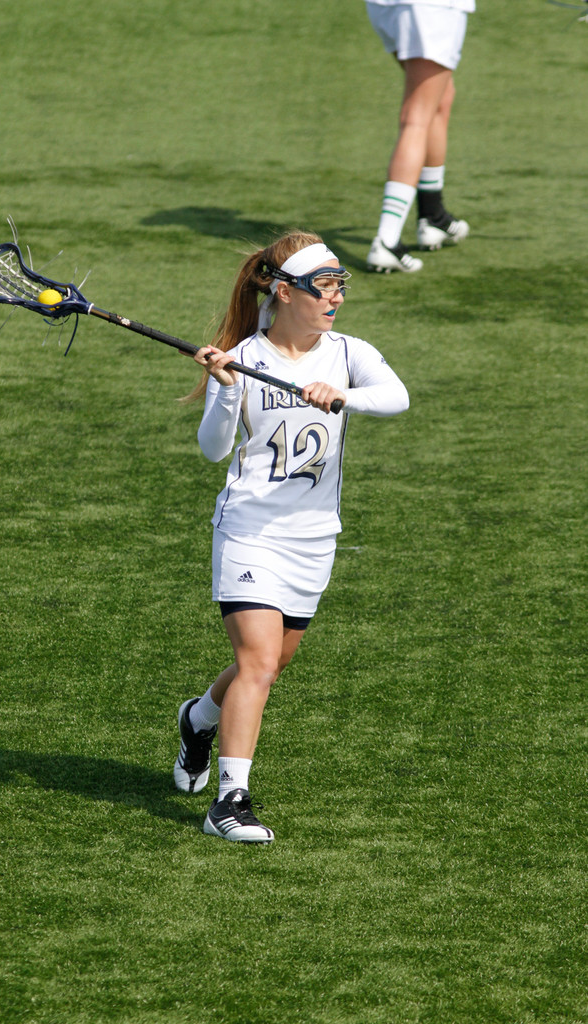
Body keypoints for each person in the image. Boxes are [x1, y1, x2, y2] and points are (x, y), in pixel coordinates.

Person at [173, 231, 409, 843]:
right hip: (250, 532)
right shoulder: (245, 359)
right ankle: (229, 802)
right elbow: (212, 450)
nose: (335, 298)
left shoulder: (349, 353)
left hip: (314, 539)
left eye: (339, 286)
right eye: (323, 287)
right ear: (283, 291)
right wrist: (226, 392)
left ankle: (199, 719)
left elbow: (397, 397)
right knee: (255, 661)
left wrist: (343, 394)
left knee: (272, 663)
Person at [364, 0, 475, 274]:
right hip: (433, 9)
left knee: (440, 97)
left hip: (385, 7)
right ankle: (387, 240)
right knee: (416, 117)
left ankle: (433, 215)